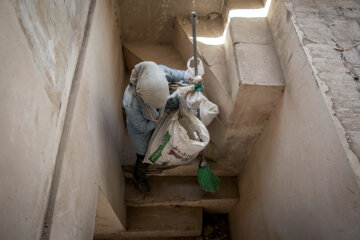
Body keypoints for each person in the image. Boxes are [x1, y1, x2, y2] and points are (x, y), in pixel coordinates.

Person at [123, 61, 186, 193]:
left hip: (157, 120)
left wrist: (192, 77)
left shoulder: (159, 73)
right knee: (144, 156)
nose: (157, 108)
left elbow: (177, 75)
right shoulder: (131, 103)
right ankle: (138, 176)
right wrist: (159, 120)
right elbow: (142, 127)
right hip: (141, 135)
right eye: (154, 105)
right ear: (143, 97)